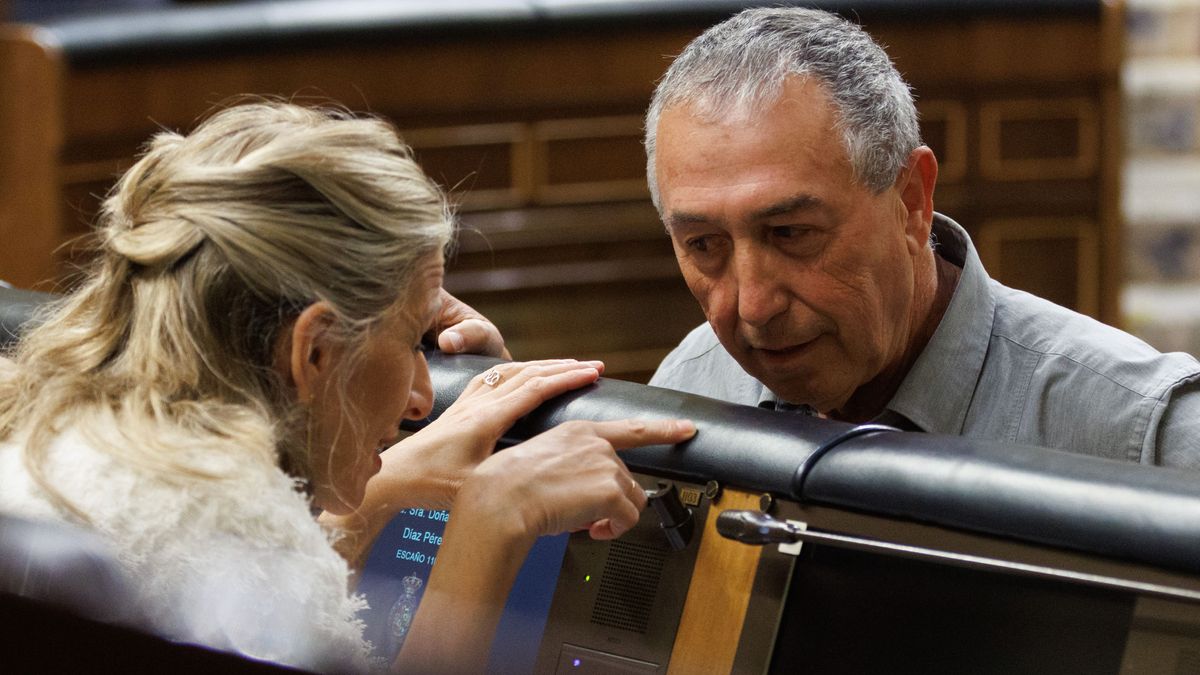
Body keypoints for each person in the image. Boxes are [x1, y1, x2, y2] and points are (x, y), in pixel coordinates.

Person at [0, 101, 696, 673]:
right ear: (313, 350)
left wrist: (379, 490)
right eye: (411, 342)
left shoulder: (64, 438)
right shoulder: (232, 558)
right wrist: (491, 521)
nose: (424, 398)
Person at [643, 7, 1200, 469]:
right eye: (705, 246)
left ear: (911, 202)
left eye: (791, 233)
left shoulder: (1144, 435)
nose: (755, 306)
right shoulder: (689, 393)